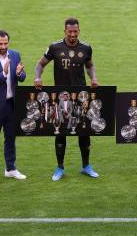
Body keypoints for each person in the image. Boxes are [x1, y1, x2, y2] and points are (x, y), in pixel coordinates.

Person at [34, 18, 99, 181]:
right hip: (61, 98)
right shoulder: (55, 47)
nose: (72, 34)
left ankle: (86, 166)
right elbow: (40, 64)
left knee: (84, 131)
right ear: (65, 31)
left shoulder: (86, 48)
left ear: (79, 31)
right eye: (69, 32)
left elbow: (89, 66)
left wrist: (93, 78)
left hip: (81, 97)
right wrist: (37, 77)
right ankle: (60, 168)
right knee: (60, 131)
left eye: (75, 31)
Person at [0, 30, 27, 185]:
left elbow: (21, 77)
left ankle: (10, 169)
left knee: (10, 139)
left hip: (11, 105)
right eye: (0, 43)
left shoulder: (15, 55)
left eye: (5, 43)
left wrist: (20, 73)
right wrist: (4, 73)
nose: (3, 46)